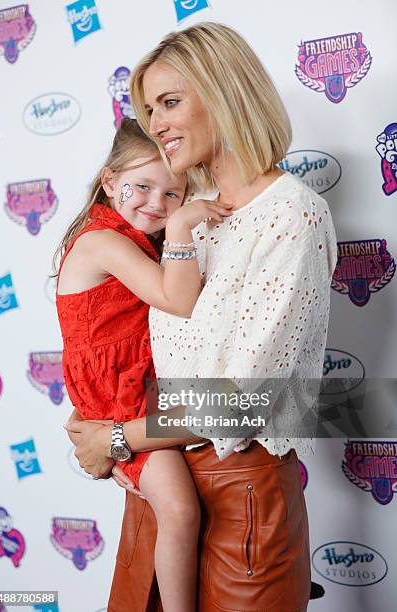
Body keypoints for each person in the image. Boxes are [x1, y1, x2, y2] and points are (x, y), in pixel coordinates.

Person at [66, 22, 338, 612]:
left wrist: (115, 438)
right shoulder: (181, 219)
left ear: (223, 92)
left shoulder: (292, 215)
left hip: (242, 500)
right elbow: (138, 347)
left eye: (169, 102)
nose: (155, 124)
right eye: (147, 108)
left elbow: (245, 404)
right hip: (162, 496)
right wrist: (101, 417)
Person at [55, 117, 233, 612]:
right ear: (110, 182)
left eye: (173, 195)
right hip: (117, 398)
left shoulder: (132, 237)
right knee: (178, 508)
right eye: (142, 186)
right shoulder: (101, 241)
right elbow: (177, 299)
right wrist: (181, 224)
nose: (156, 203)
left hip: (135, 386)